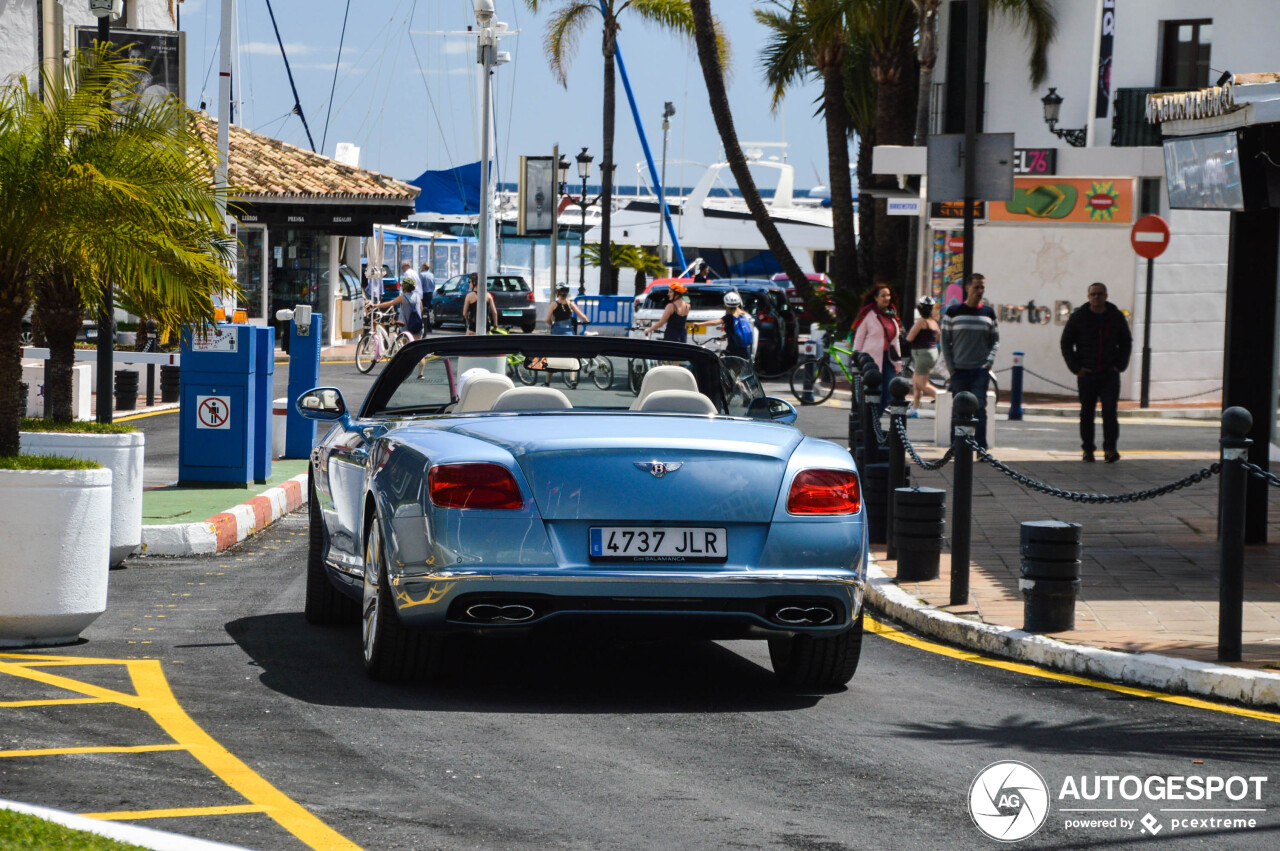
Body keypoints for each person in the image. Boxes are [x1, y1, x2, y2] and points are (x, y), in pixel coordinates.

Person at [1060, 281, 1133, 463]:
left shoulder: (1115, 316)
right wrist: (1076, 368)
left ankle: (1110, 449)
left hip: (1109, 373)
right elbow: (1066, 342)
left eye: (1100, 294)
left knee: (1109, 412)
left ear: (1106, 296)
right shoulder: (1079, 317)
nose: (1096, 297)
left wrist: (1120, 365)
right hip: (1088, 374)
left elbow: (1126, 341)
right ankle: (1088, 450)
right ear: (1088, 296)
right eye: (1093, 294)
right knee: (1087, 413)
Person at [941, 273, 1000, 448]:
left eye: (982, 287)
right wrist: (951, 368)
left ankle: (980, 447)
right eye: (977, 287)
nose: (980, 291)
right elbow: (945, 341)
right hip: (959, 371)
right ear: (967, 288)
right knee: (959, 409)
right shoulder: (953, 312)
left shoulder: (988, 313)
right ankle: (956, 446)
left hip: (980, 371)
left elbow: (995, 341)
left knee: (980, 408)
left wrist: (987, 364)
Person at [851, 283, 902, 415]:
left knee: (890, 392)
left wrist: (898, 362)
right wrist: (856, 358)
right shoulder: (868, 315)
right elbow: (859, 337)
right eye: (883, 295)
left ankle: (874, 420)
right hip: (870, 360)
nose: (887, 298)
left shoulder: (892, 315)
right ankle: (871, 423)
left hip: (889, 359)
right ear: (876, 298)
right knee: (875, 392)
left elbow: (895, 340)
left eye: (888, 295)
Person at [905, 296, 941, 417]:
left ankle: (945, 402)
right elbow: (938, 337)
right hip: (931, 353)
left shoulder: (921, 322)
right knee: (916, 383)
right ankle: (914, 409)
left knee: (922, 384)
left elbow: (910, 337)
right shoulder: (933, 322)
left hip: (923, 355)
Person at [720, 291, 753, 361]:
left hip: (734, 349)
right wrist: (726, 335)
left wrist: (699, 324)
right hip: (744, 349)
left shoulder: (729, 316)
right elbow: (736, 330)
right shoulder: (741, 315)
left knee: (731, 367)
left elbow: (716, 322)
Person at [419, 262, 436, 333]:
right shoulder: (432, 275)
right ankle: (429, 326)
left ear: (423, 267)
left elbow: (420, 285)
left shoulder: (422, 275)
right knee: (428, 310)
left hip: (424, 293)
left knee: (423, 310)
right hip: (430, 293)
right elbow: (434, 284)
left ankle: (426, 326)